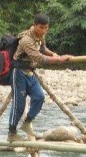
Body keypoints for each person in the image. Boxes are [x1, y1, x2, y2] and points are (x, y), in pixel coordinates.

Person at [7, 13, 74, 142]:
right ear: (34, 25)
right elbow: (38, 57)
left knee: (39, 97)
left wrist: (54, 54)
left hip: (30, 72)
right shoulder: (26, 39)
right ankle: (12, 133)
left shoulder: (40, 36)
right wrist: (59, 59)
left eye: (46, 28)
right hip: (19, 72)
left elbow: (42, 48)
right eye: (41, 27)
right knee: (19, 105)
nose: (43, 30)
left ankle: (27, 123)